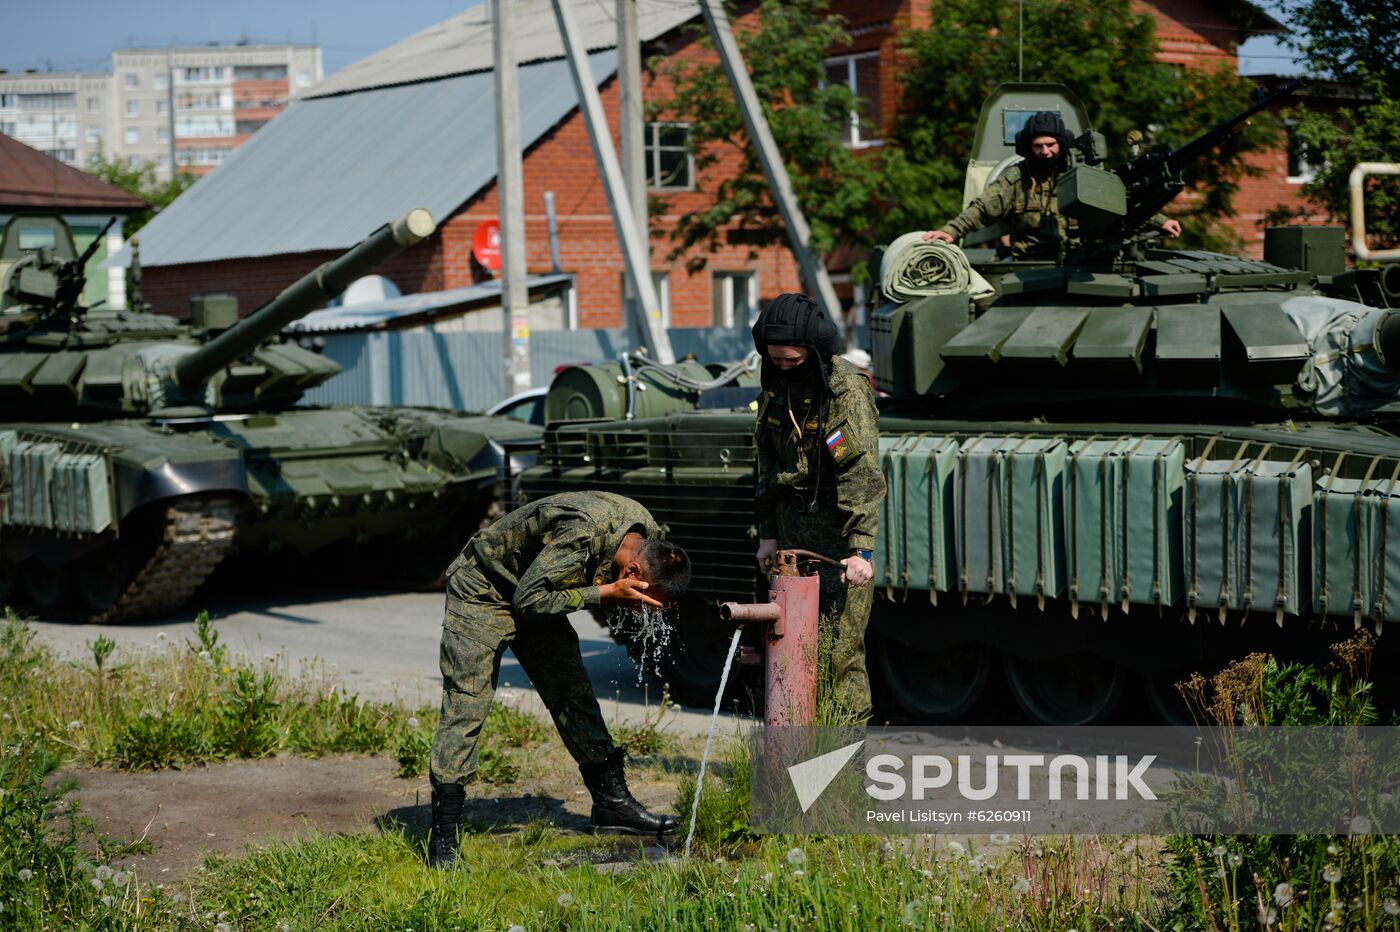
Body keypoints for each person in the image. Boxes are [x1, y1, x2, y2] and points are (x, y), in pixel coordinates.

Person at [427, 491, 692, 867]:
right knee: (467, 703)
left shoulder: (646, 532)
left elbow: (540, 594)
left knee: (573, 693)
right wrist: (606, 593)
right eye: (644, 597)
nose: (642, 607)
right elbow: (528, 600)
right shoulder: (582, 532)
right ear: (633, 573)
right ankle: (444, 835)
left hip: (536, 589)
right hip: (483, 590)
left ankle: (612, 805)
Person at [752, 293, 886, 722]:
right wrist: (767, 534)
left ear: (813, 349)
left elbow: (860, 473)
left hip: (836, 542)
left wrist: (861, 548)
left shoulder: (844, 390)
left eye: (793, 360)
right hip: (790, 539)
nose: (784, 367)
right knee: (788, 649)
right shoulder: (775, 383)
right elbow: (767, 464)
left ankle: (842, 772)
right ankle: (794, 755)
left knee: (838, 656)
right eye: (777, 360)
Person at [923, 110, 1181, 260]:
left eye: (1050, 145)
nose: (1045, 151)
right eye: (1038, 146)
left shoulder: (1082, 175)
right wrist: (952, 230)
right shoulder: (1017, 179)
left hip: (1081, 264)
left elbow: (1116, 202)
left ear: (1061, 144)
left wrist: (1160, 222)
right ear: (1029, 147)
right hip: (1031, 267)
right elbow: (982, 208)